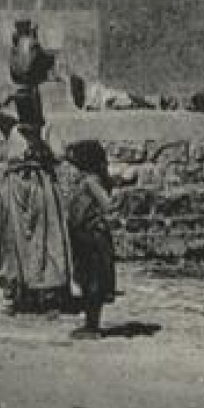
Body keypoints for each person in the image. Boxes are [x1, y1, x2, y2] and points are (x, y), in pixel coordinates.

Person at [0, 87, 71, 316]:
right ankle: (16, 293)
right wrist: (7, 96)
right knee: (13, 241)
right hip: (15, 188)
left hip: (40, 187)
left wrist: (41, 148)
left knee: (47, 240)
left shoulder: (47, 129)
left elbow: (60, 155)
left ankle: (49, 295)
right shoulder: (11, 127)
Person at [60, 139, 118, 340]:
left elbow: (107, 204)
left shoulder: (91, 181)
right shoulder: (88, 179)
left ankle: (92, 327)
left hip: (91, 236)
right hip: (83, 235)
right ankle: (90, 324)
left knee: (93, 280)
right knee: (86, 279)